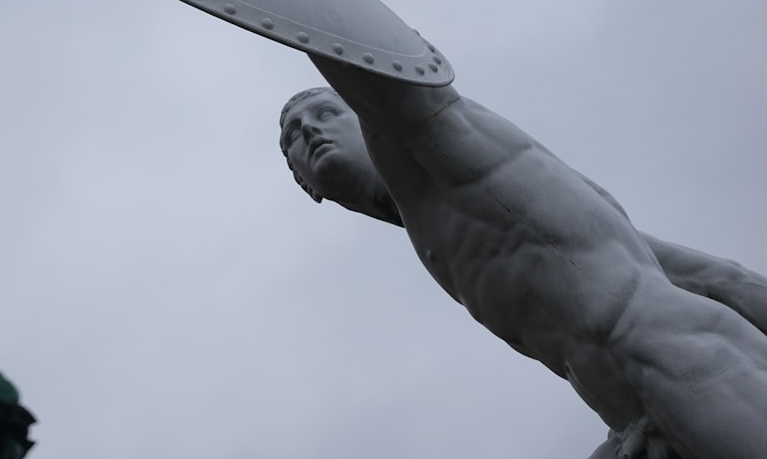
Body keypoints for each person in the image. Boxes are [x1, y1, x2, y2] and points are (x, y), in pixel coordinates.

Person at [279, 71, 767, 459]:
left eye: (326, 112)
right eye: (293, 139)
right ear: (306, 185)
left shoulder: (455, 141)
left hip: (689, 363)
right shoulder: (437, 228)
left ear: (365, 116)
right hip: (637, 418)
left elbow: (719, 279)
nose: (311, 130)